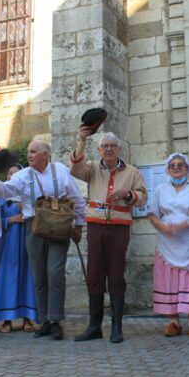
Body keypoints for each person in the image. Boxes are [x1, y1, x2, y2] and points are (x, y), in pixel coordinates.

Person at [0, 140, 86, 340]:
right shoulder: (22, 175)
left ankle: (55, 321)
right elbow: (4, 190)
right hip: (33, 227)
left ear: (45, 154)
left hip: (59, 226)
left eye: (34, 151)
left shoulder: (61, 171)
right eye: (28, 152)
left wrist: (78, 225)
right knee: (38, 276)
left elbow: (77, 199)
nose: (29, 155)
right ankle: (44, 320)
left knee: (54, 272)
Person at [70, 130, 147, 343]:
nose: (109, 149)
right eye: (105, 146)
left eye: (113, 146)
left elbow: (142, 197)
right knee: (94, 274)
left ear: (119, 149)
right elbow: (75, 169)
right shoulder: (93, 168)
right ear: (99, 150)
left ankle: (116, 328)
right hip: (95, 227)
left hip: (119, 229)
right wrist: (82, 140)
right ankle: (94, 327)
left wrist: (127, 194)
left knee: (115, 275)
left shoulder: (132, 172)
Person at [147, 153, 189, 337]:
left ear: (187, 169)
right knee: (169, 280)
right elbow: (152, 213)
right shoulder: (160, 190)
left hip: (188, 240)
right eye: (172, 165)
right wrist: (163, 228)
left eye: (180, 164)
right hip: (167, 242)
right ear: (167, 169)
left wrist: (183, 224)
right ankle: (173, 322)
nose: (176, 167)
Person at [0, 163, 38, 333]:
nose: (13, 176)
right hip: (7, 246)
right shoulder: (0, 196)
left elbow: (40, 215)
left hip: (27, 243)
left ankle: (27, 319)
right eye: (10, 173)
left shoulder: (28, 195)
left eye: (17, 173)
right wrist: (10, 220)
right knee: (8, 279)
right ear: (6, 177)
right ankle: (5, 320)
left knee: (27, 279)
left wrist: (27, 208)